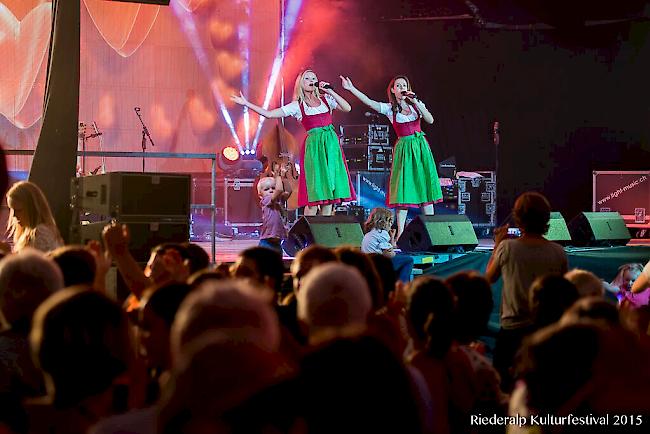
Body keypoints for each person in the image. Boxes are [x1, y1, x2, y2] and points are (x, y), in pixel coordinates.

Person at [231, 69, 355, 216]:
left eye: (313, 78)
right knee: (316, 196)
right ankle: (309, 234)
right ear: (301, 84)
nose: (311, 80)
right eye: (307, 78)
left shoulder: (326, 100)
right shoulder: (297, 105)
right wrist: (246, 103)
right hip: (315, 149)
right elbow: (269, 114)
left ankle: (324, 235)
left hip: (331, 147)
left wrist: (330, 91)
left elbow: (348, 108)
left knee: (329, 197)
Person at [485, 191, 568, 391]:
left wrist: (497, 245)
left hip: (513, 332)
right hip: (547, 331)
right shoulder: (558, 251)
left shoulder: (507, 248)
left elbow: (489, 278)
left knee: (505, 389)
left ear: (518, 217)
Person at [341, 75, 443, 238]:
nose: (402, 87)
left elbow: (430, 120)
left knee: (425, 189)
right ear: (393, 90)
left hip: (421, 149)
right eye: (398, 85)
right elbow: (368, 101)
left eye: (404, 84)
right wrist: (351, 88)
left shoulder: (417, 106)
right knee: (403, 190)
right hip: (404, 150)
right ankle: (401, 233)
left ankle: (431, 232)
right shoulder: (389, 109)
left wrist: (416, 102)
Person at [2, 181, 63, 253]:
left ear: (32, 209)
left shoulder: (41, 233)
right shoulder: (28, 233)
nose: (14, 215)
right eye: (12, 210)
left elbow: (34, 263)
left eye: (19, 210)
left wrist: (8, 254)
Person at [361, 207, 414, 283]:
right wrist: (393, 253)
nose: (391, 224)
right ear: (385, 221)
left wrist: (392, 237)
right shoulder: (382, 233)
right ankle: (402, 285)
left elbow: (387, 247)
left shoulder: (370, 233)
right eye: (390, 221)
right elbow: (388, 254)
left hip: (369, 263)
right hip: (379, 264)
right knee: (409, 260)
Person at [257, 165, 291, 253]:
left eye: (273, 188)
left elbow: (288, 191)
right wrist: (278, 176)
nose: (271, 191)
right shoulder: (266, 200)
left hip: (277, 243)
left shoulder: (278, 200)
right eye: (267, 189)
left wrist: (284, 177)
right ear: (260, 195)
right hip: (266, 243)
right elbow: (279, 190)